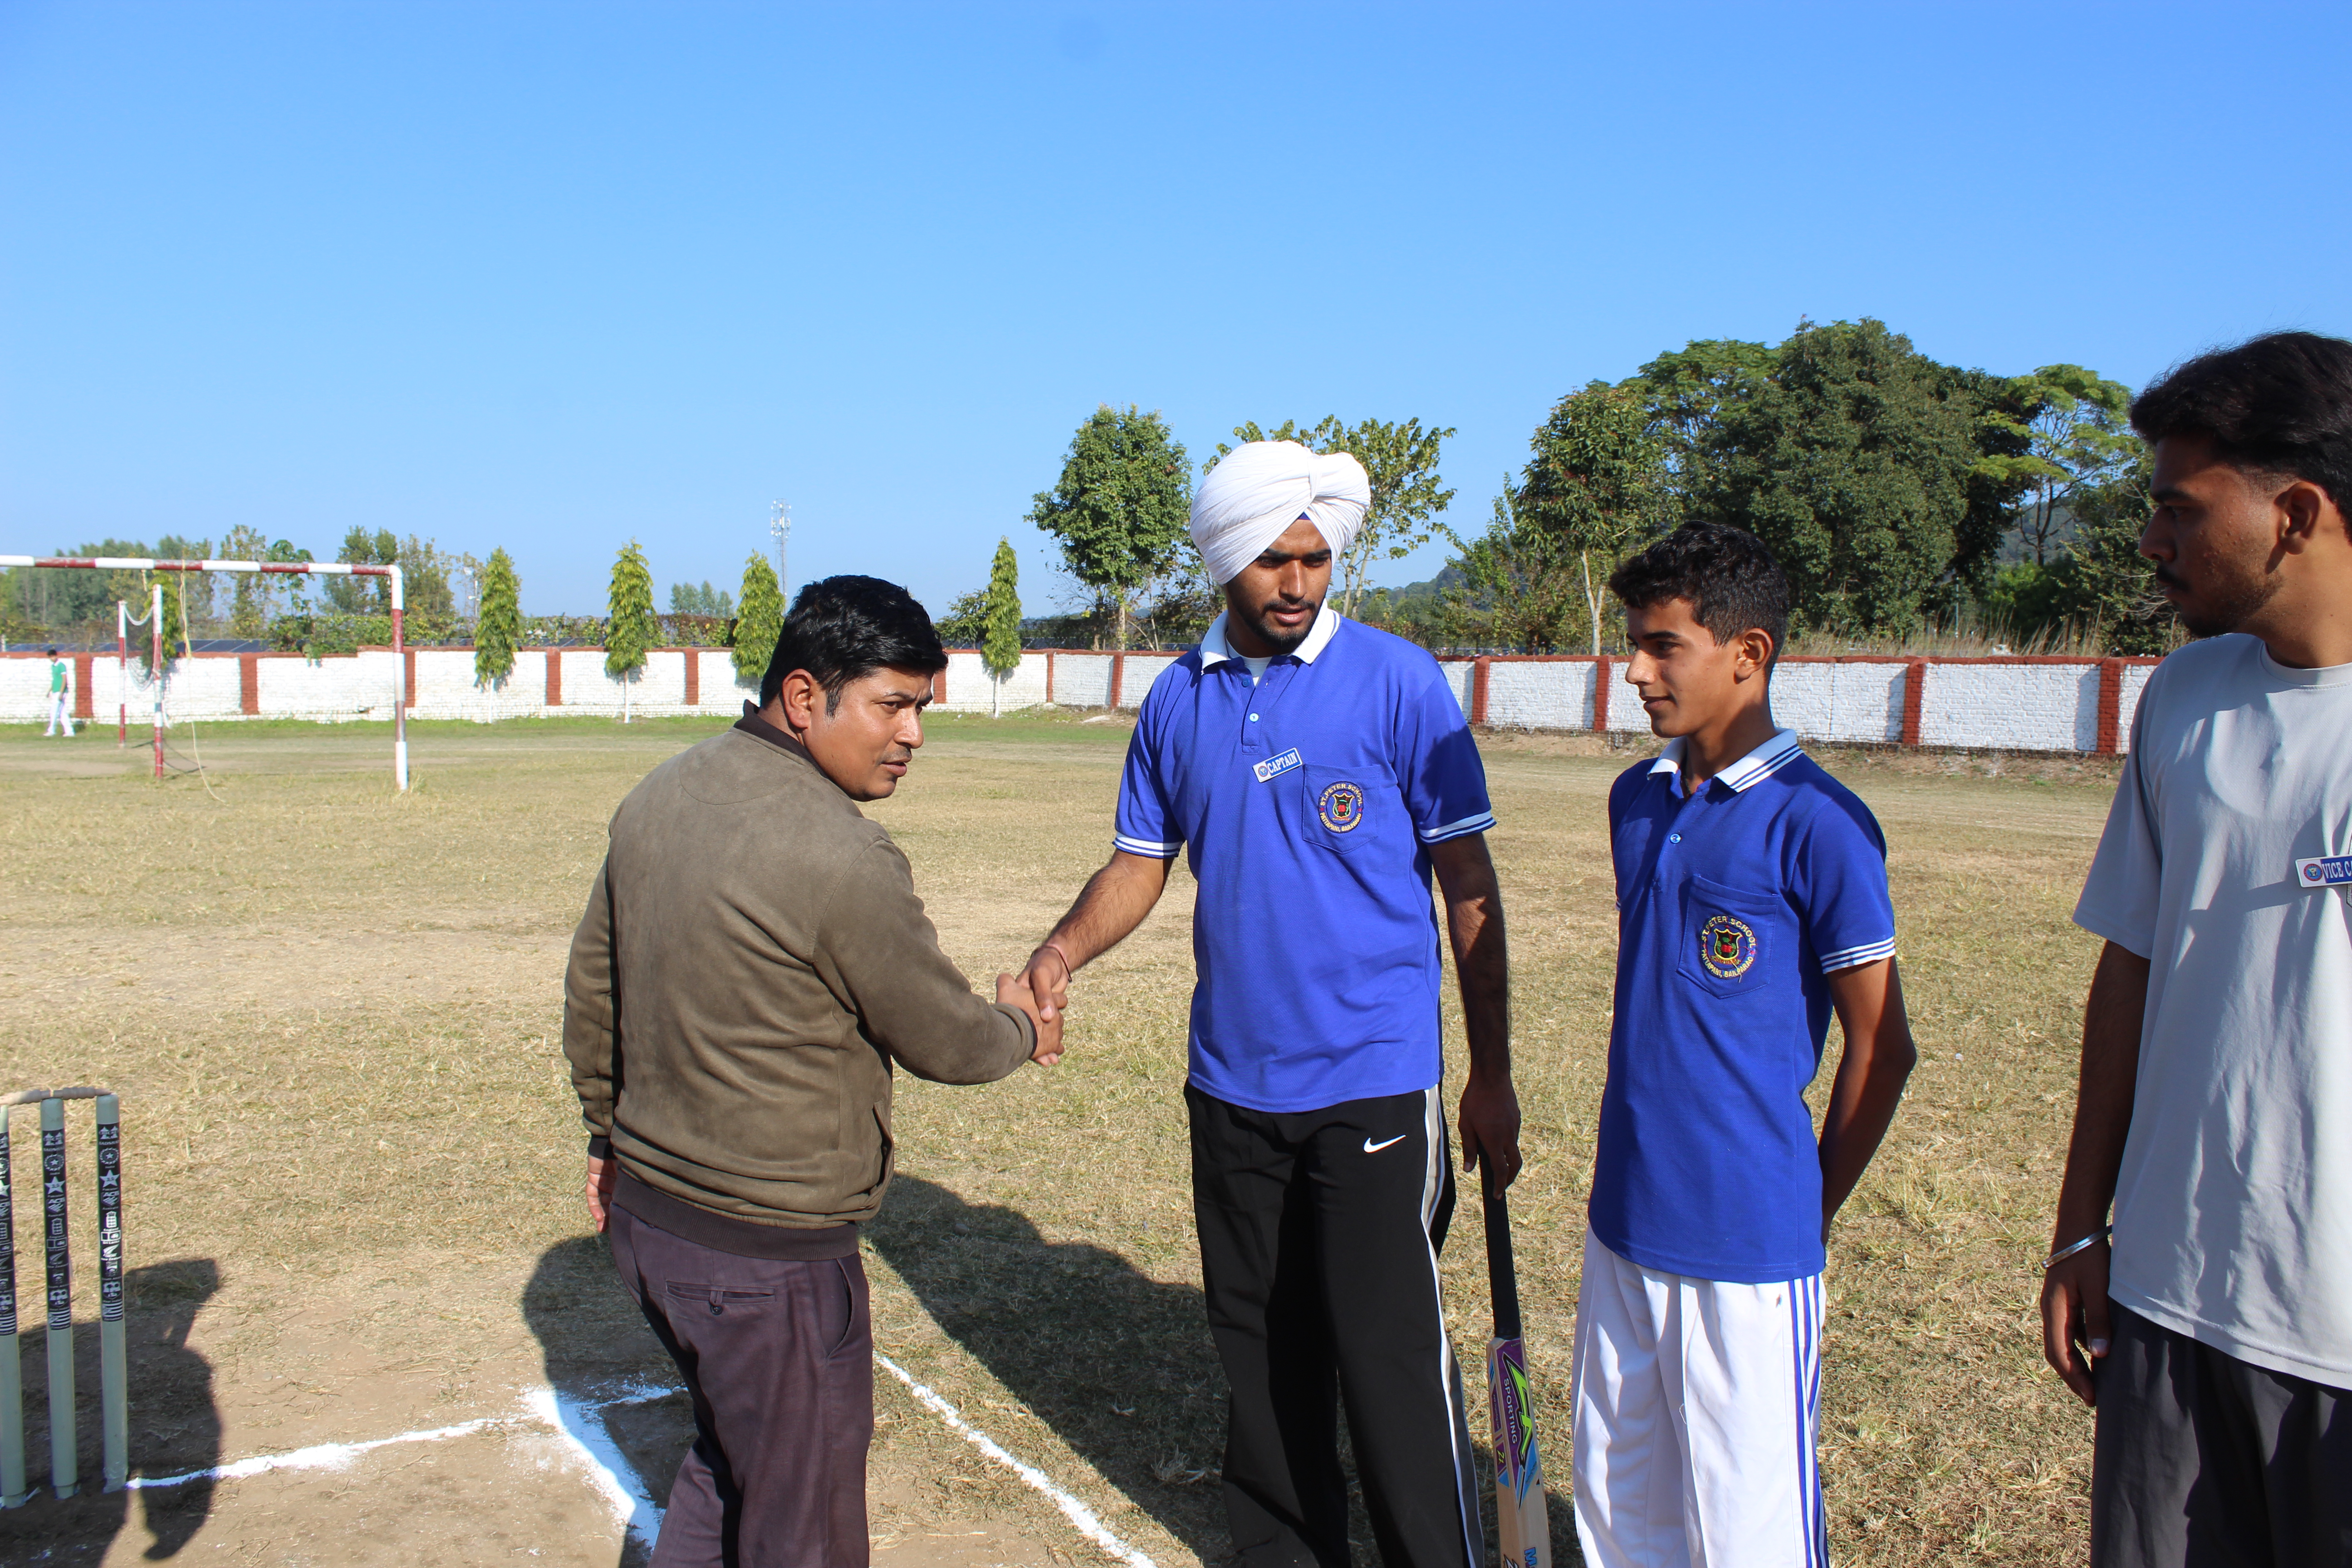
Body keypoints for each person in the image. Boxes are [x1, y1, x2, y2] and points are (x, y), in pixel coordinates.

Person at [1019, 441, 1519, 1568]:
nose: (1298, 582)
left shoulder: (1398, 681)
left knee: (1387, 1359)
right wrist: (1060, 951)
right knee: (1261, 1352)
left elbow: (1467, 885)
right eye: (1272, 561)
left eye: (1316, 558)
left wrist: (1489, 1073)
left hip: (1373, 1081)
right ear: (1222, 560)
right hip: (1231, 1083)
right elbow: (1141, 862)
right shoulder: (1176, 699)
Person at [563, 575, 1061, 1568]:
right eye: (893, 705)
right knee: (803, 1528)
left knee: (731, 1467)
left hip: (654, 1226)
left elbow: (592, 995)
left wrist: (606, 1138)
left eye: (922, 706)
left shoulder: (659, 793)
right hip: (764, 1262)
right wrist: (1022, 1025)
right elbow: (947, 1041)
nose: (914, 734)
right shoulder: (841, 854)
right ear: (803, 697)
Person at [2044, 331, 2352, 1568]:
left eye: (2180, 508)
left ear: (2297, 514)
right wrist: (2081, 1227)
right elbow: (2129, 965)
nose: (2150, 539)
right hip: (2168, 1303)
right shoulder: (2181, 698)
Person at [1573, 524, 1916, 1568]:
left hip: (1747, 1246)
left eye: (1663, 646)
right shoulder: (1635, 799)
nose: (1636, 672)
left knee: (1746, 1534)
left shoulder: (1822, 825)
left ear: (1747, 653)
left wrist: (1807, 1207)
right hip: (1624, 1218)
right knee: (1616, 1513)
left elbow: (1882, 1047)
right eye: (1634, 644)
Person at [45, 647, 74, 737]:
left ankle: (51, 730)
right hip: (56, 691)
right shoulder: (53, 666)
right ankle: (69, 731)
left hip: (61, 691)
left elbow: (64, 679)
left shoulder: (61, 666)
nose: (52, 658)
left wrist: (61, 693)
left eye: (53, 656)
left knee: (54, 710)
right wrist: (50, 690)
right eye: (50, 657)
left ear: (56, 656)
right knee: (62, 712)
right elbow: (55, 680)